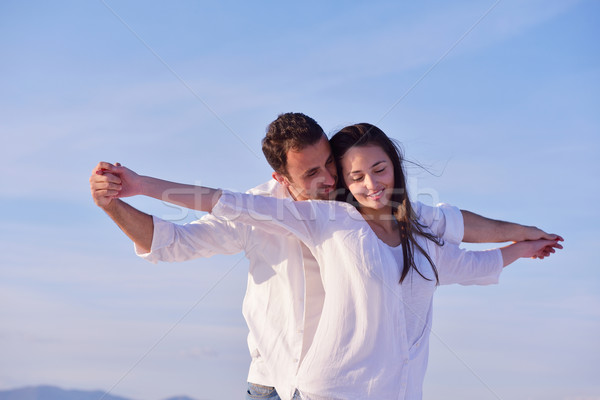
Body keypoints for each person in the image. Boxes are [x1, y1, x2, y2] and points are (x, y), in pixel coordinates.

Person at [90, 113, 561, 400]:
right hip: (277, 382)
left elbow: (454, 232)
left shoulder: (367, 210)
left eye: (330, 166)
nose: (329, 180)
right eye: (312, 173)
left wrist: (524, 238)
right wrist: (124, 195)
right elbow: (176, 237)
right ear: (280, 178)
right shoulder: (278, 212)